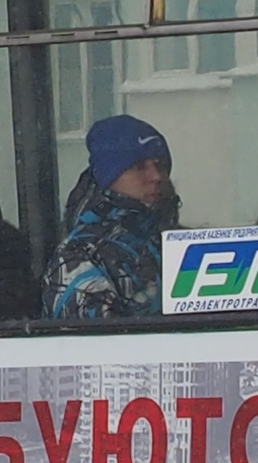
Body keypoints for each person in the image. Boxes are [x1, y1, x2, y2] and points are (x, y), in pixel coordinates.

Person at [41, 114, 178, 323]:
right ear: (108, 176)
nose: (156, 177)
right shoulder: (81, 256)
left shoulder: (176, 244)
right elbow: (95, 348)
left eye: (160, 165)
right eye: (139, 167)